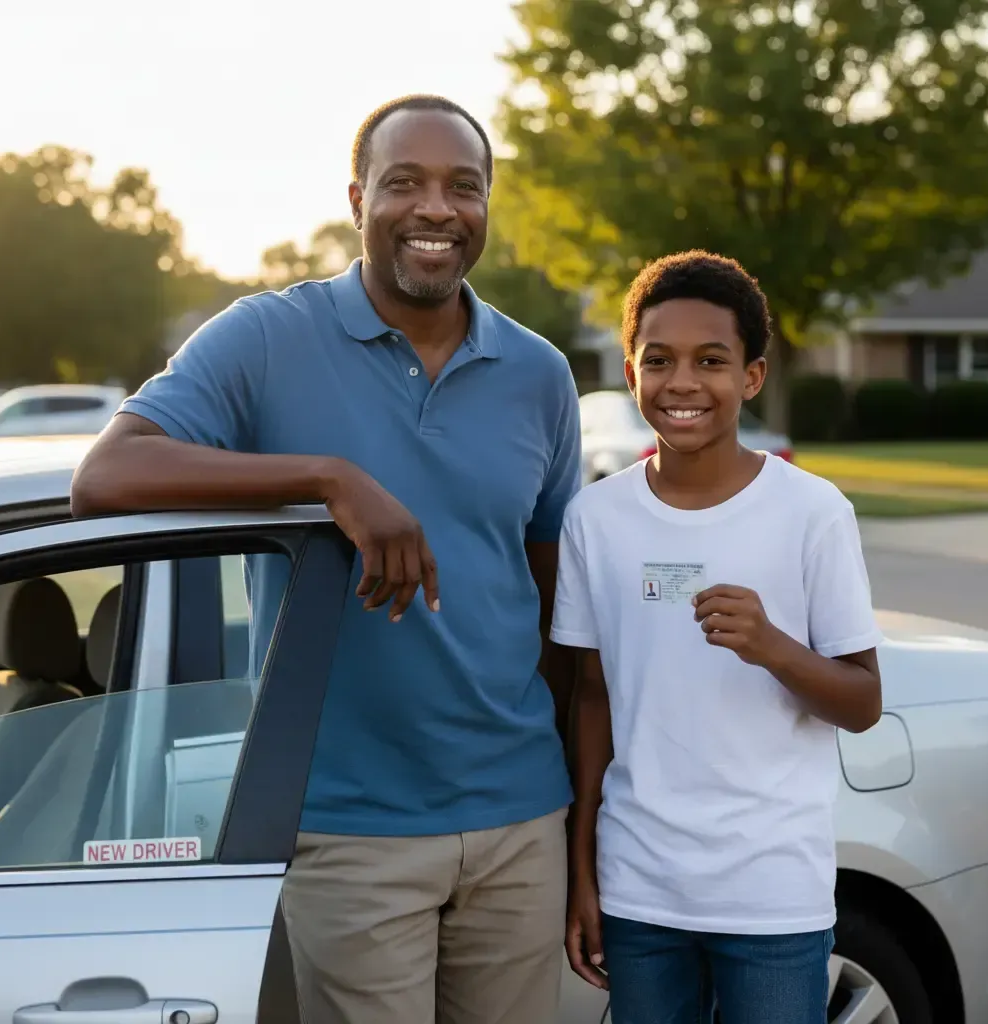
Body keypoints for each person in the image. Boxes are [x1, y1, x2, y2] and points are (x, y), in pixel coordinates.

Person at [71, 94, 581, 1024]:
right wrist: (326, 478)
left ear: (486, 207)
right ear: (357, 199)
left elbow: (555, 609)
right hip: (350, 829)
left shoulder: (540, 374)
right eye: (404, 184)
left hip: (519, 820)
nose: (436, 209)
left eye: (463, 188)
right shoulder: (266, 340)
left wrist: (577, 814)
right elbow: (105, 476)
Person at [552, 251, 883, 1023]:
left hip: (770, 896)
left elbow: (862, 702)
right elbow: (592, 700)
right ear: (631, 375)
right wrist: (583, 870)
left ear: (753, 377)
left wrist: (772, 645)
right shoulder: (594, 521)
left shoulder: (812, 511)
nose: (684, 384)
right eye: (658, 360)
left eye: (712, 361)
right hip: (641, 894)